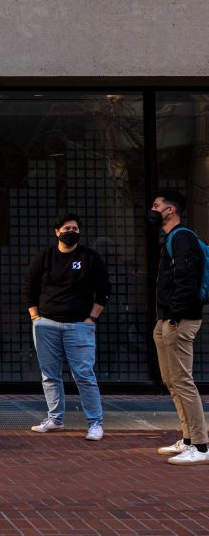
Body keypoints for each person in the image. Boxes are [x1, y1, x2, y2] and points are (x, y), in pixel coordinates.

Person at [24, 214, 110, 441]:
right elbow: (29, 286)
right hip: (46, 325)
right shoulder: (45, 256)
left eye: (75, 228)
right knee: (49, 374)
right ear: (57, 232)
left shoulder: (89, 257)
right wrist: (35, 316)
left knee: (84, 374)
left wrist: (92, 318)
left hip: (79, 326)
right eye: (66, 228)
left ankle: (95, 423)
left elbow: (103, 290)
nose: (71, 231)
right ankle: (55, 419)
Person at [148, 190, 209, 465]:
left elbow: (187, 279)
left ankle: (201, 446)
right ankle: (187, 439)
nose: (153, 209)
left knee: (183, 381)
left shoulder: (182, 237)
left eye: (156, 205)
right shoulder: (173, 238)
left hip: (179, 319)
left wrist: (174, 315)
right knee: (172, 381)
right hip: (168, 319)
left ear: (170, 210)